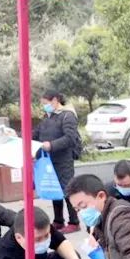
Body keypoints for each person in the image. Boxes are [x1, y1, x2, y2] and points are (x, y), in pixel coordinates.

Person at [33, 90, 81, 233]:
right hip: (50, 160)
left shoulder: (68, 115)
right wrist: (17, 135)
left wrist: (51, 145)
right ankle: (58, 220)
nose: (44, 106)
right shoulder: (47, 117)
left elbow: (70, 138)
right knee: (55, 190)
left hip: (64, 160)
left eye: (46, 103)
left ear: (55, 100)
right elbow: (36, 134)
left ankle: (74, 222)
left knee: (67, 190)